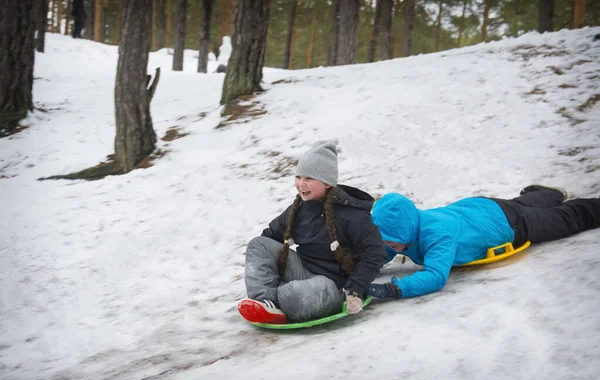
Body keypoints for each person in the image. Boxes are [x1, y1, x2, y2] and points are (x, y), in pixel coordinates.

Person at [238, 141, 388, 324]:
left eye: (309, 178)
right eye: (298, 177)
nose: (301, 184)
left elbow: (375, 253)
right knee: (258, 244)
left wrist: (355, 289)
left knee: (291, 293)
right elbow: (269, 238)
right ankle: (265, 301)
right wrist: (265, 272)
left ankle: (278, 298)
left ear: (326, 183)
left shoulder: (351, 216)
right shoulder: (299, 209)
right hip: (302, 270)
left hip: (332, 286)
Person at [367, 185, 600, 299]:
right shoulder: (405, 230)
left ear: (405, 231)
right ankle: (547, 193)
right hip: (478, 208)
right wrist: (356, 270)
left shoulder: (436, 235)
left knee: (564, 220)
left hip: (509, 225)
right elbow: (380, 252)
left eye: (391, 242)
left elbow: (436, 276)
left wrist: (393, 289)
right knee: (522, 204)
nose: (389, 247)